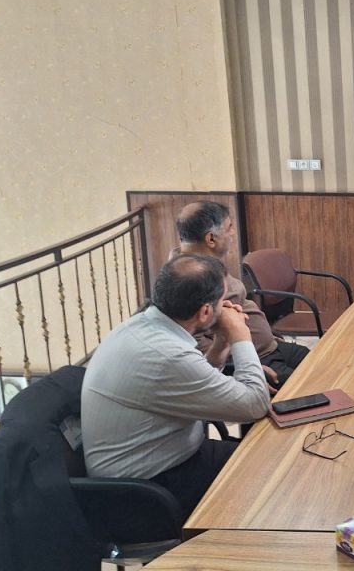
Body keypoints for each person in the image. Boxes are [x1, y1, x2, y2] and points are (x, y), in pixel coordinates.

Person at [81, 254, 270, 515]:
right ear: (205, 312)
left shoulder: (142, 325)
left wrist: (221, 343)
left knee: (262, 454)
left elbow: (193, 381)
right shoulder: (167, 355)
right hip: (145, 493)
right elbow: (255, 404)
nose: (227, 307)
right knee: (270, 473)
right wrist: (240, 335)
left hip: (162, 461)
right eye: (222, 301)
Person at [176, 200, 307, 389]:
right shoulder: (189, 279)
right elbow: (194, 344)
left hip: (270, 347)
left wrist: (268, 336)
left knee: (325, 362)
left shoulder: (206, 265)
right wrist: (242, 370)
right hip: (256, 361)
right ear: (211, 239)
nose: (232, 233)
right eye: (229, 228)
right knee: (314, 386)